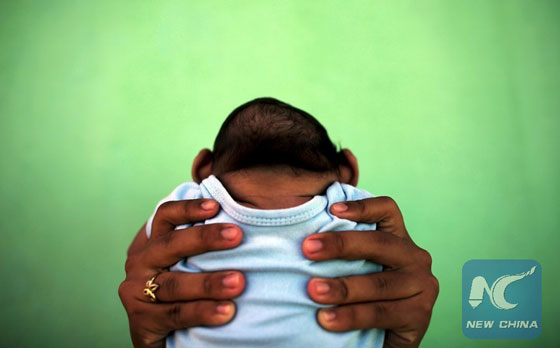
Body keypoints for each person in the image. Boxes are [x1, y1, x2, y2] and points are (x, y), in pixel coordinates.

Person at [119, 99, 440, 348]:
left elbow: (138, 261)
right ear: (348, 172)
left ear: (205, 168)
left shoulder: (189, 203)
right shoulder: (356, 209)